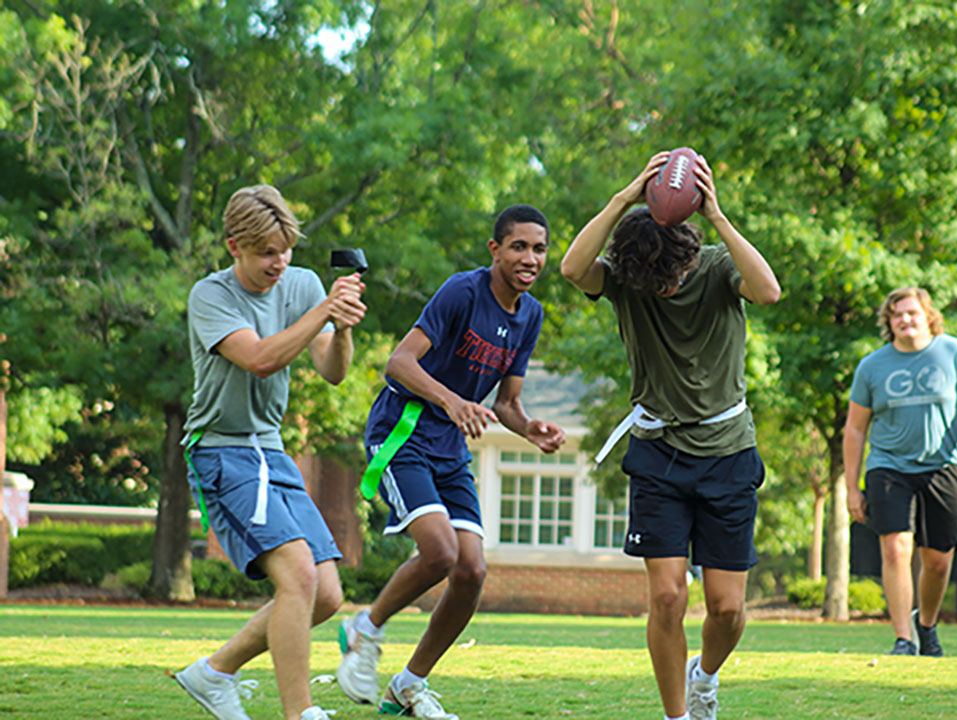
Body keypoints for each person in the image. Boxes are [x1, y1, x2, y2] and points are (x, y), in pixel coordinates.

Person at [561, 151, 781, 720]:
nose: (667, 288)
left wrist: (719, 218)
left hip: (728, 452)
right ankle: (677, 715)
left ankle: (704, 677)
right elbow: (570, 268)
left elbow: (769, 291)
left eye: (675, 276)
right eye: (656, 281)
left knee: (728, 609)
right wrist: (623, 197)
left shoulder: (714, 264)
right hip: (658, 454)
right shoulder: (625, 282)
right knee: (667, 596)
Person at [336, 204, 566, 720]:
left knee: (471, 571)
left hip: (450, 447)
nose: (530, 258)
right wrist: (452, 400)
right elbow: (399, 361)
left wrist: (530, 429)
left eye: (540, 248)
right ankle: (364, 628)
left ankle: (408, 685)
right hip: (404, 432)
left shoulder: (530, 314)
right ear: (495, 250)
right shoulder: (463, 291)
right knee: (439, 553)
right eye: (519, 247)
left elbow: (506, 403)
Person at [173, 185, 367, 720]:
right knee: (298, 577)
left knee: (325, 594)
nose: (278, 263)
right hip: (220, 452)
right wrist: (323, 308)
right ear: (234, 246)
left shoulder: (301, 284)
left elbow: (331, 370)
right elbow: (259, 359)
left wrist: (342, 329)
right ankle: (300, 713)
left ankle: (214, 673)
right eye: (265, 253)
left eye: (284, 250)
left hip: (272, 453)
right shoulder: (210, 297)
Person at [843, 287, 957, 656]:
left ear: (929, 316)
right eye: (896, 315)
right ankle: (902, 639)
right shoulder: (872, 366)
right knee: (896, 549)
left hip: (943, 466)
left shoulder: (955, 353)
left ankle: (925, 625)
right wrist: (851, 487)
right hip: (888, 466)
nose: (904, 320)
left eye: (911, 313)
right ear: (888, 323)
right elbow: (855, 428)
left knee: (938, 560)